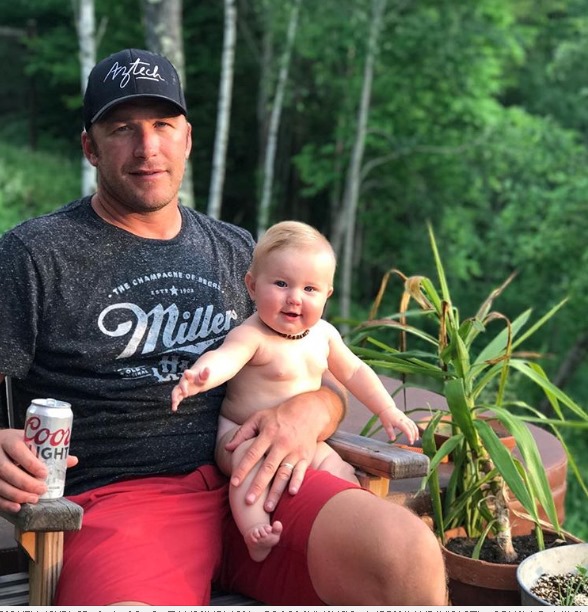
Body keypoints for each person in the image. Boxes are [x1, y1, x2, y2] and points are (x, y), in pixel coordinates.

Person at [0, 48, 446, 605]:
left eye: (163, 125)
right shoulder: (36, 254)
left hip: (261, 479)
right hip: (124, 506)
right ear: (90, 146)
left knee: (405, 551)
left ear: (187, 138)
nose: (147, 147)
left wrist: (314, 409)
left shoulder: (238, 251)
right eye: (123, 128)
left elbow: (321, 367)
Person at [171, 220, 420, 562]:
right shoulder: (252, 335)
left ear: (327, 295)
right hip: (239, 435)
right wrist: (201, 376)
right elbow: (226, 359)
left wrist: (387, 409)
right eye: (281, 284)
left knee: (338, 469)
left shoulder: (325, 336)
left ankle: (352, 524)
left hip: (306, 438)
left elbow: (355, 371)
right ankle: (254, 529)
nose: (294, 298)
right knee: (249, 463)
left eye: (309, 289)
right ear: (252, 286)